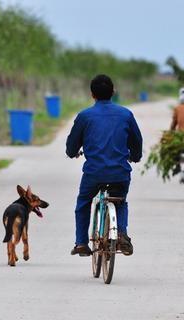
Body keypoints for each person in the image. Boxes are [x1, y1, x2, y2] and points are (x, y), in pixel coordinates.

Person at [65, 74, 143, 256]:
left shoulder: (85, 116)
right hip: (120, 173)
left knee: (83, 203)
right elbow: (137, 141)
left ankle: (82, 243)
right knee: (120, 201)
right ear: (113, 92)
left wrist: (72, 153)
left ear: (92, 94)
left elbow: (71, 146)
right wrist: (136, 156)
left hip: (94, 174)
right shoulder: (126, 114)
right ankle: (121, 233)